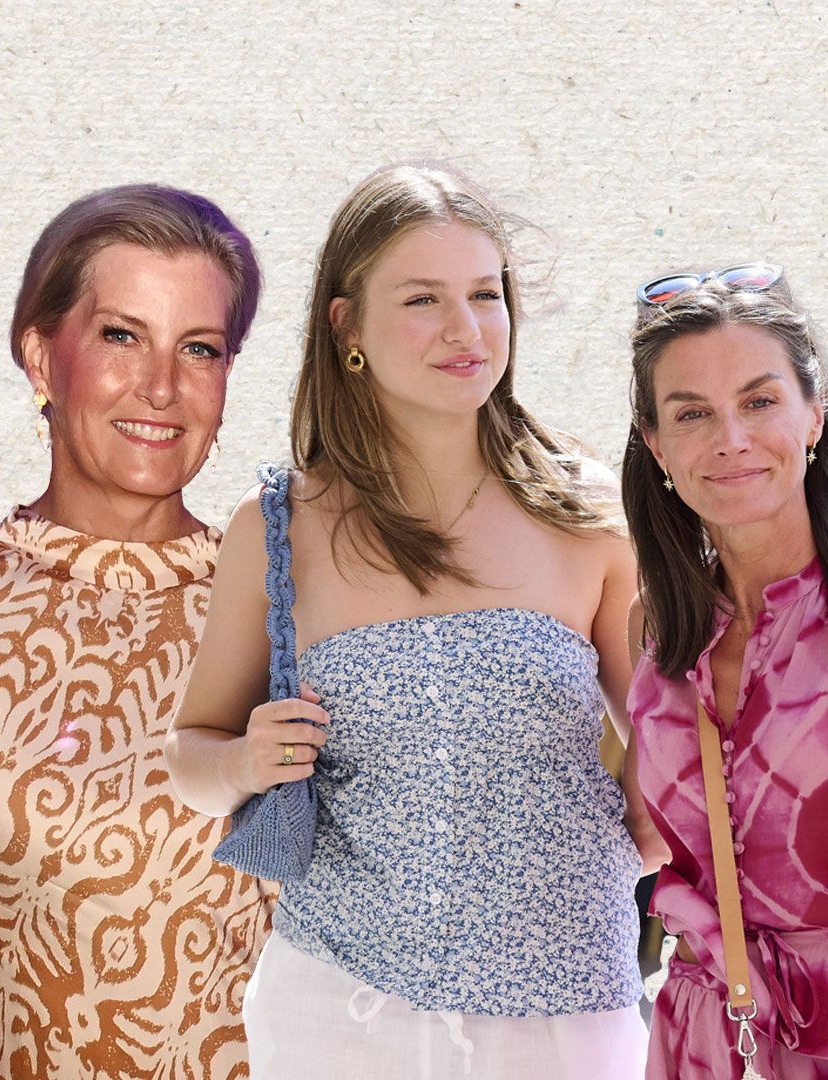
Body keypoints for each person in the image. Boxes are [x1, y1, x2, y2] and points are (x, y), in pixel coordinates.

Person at [165, 163, 656, 1078]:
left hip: (568, 1018)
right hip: (339, 1012)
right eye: (423, 299)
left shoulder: (589, 516)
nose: (466, 329)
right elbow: (191, 756)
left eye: (485, 294)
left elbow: (668, 765)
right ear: (345, 324)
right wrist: (242, 760)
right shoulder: (277, 527)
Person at [0, 185, 268, 1079]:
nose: (161, 387)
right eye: (121, 336)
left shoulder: (298, 622)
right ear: (40, 355)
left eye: (199, 349)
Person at [622, 266, 828, 1078]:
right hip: (711, 1041)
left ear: (814, 414)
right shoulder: (657, 637)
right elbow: (657, 837)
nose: (730, 438)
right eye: (692, 414)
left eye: (759, 402)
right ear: (656, 443)